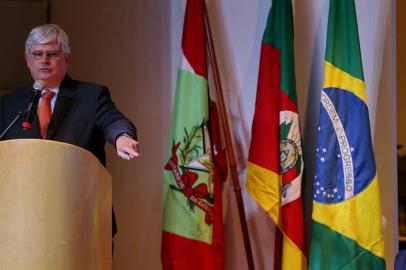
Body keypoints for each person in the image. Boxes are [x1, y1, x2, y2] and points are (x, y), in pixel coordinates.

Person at [0, 24, 139, 239]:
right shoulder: (9, 104)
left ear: (66, 57)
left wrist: (122, 137)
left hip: (80, 217)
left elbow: (114, 121)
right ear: (27, 59)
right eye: (37, 54)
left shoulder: (91, 96)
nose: (44, 60)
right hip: (22, 221)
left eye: (52, 54)